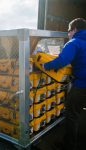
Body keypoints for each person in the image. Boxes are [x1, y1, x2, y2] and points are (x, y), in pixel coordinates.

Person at [43, 18, 86, 150]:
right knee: (79, 111)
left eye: (68, 31)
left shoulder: (74, 42)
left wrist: (45, 65)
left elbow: (62, 60)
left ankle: (69, 145)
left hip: (82, 85)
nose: (68, 34)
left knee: (72, 114)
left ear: (74, 30)